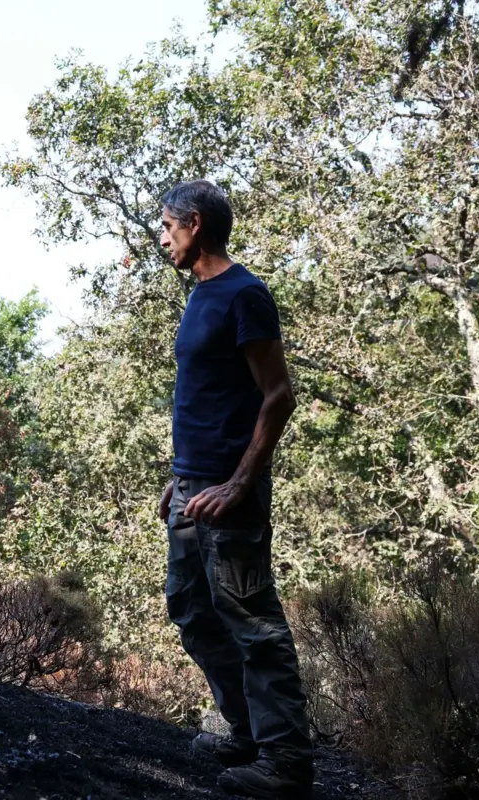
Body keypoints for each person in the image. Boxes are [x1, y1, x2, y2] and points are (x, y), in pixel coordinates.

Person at [155, 180, 313, 798]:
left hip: (229, 493)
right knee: (192, 611)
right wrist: (179, 476)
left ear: (194, 223)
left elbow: (279, 395)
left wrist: (240, 482)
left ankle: (286, 762)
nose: (162, 238)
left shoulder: (245, 294)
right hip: (190, 485)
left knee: (251, 618)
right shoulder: (199, 295)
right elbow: (205, 397)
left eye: (167, 226)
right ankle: (246, 732)